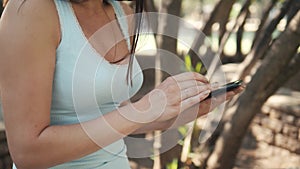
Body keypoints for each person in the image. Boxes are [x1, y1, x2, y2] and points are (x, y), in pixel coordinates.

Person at [0, 0, 244, 168]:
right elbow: (27, 153)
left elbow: (115, 116)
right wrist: (141, 108)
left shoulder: (123, 12)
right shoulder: (31, 11)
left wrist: (182, 112)